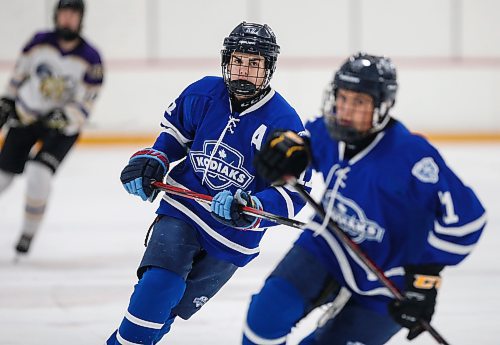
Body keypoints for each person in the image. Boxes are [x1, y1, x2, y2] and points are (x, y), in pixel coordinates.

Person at [245, 52, 487, 345]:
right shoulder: (330, 130)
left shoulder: (412, 157)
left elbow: (468, 222)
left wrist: (425, 276)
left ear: (382, 105)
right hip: (328, 245)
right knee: (264, 319)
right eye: (343, 98)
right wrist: (289, 151)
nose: (346, 109)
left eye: (359, 102)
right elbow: (306, 145)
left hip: (389, 277)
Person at [107, 22, 311, 344]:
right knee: (159, 287)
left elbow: (293, 191)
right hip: (183, 208)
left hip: (232, 237)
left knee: (167, 312)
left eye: (255, 64)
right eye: (239, 61)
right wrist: (155, 159)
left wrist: (255, 206)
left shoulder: (283, 123)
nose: (244, 71)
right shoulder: (204, 93)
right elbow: (174, 137)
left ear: (269, 68)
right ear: (226, 60)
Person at [0, 0, 104, 255]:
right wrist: (7, 101)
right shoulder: (38, 42)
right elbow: (19, 75)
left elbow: (87, 103)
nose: (67, 19)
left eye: (73, 14)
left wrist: (67, 114)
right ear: (56, 16)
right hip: (26, 118)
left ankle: (27, 234)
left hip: (61, 129)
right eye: (63, 14)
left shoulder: (91, 59)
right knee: (2, 177)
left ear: (81, 18)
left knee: (39, 174)